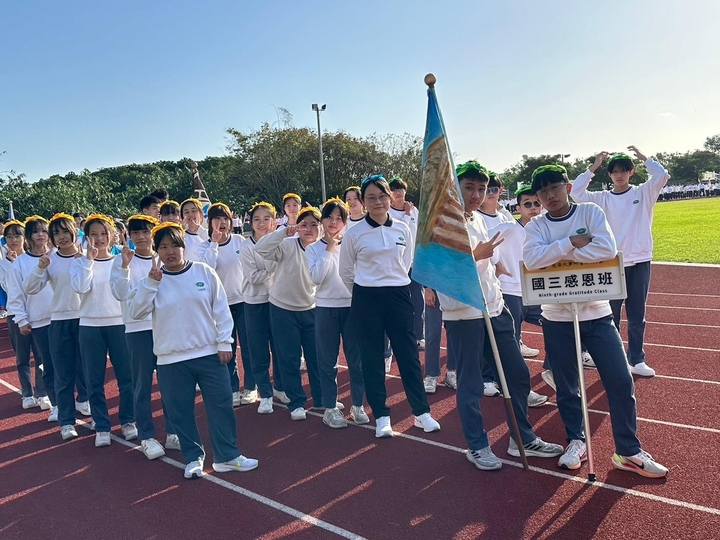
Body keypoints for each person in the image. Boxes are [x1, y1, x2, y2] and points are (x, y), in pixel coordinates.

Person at [523, 164, 668, 478]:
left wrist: (555, 255)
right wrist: (572, 243)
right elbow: (532, 260)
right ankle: (576, 441)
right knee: (567, 386)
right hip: (557, 318)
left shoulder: (590, 212)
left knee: (620, 380)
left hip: (598, 314)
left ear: (567, 187)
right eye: (543, 191)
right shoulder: (536, 226)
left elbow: (606, 249)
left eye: (555, 187)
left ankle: (628, 451)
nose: (550, 195)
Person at [439, 162, 563, 470]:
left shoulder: (480, 220)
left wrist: (494, 265)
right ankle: (477, 445)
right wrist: (475, 256)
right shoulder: (442, 224)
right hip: (464, 313)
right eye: (469, 188)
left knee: (517, 374)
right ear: (455, 188)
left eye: (481, 189)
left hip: (495, 307)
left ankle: (522, 438)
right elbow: (439, 272)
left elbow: (488, 258)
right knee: (471, 383)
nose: (476, 195)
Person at [129, 222, 258, 479]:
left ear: (183, 246)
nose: (170, 252)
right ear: (157, 251)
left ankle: (227, 456)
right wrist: (151, 284)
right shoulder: (152, 280)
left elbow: (221, 310)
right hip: (171, 359)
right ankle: (193, 458)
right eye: (163, 247)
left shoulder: (203, 272)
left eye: (175, 245)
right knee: (180, 411)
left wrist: (224, 342)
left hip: (209, 354)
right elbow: (136, 312)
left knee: (221, 404)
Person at [339, 175, 440, 438]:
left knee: (408, 355)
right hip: (366, 298)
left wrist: (392, 282)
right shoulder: (354, 233)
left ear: (389, 197)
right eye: (371, 198)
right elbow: (346, 271)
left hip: (398, 296)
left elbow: (406, 262)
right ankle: (382, 416)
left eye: (382, 196)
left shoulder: (403, 229)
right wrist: (365, 288)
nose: (378, 202)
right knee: (372, 358)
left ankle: (421, 412)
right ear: (363, 202)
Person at [571, 147, 669, 377]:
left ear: (631, 172)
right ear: (609, 175)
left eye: (623, 171)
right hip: (612, 262)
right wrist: (593, 167)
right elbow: (576, 192)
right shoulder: (602, 199)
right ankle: (615, 361)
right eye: (614, 171)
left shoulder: (644, 193)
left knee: (636, 315)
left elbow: (662, 175)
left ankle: (636, 359)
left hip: (640, 259)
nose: (619, 175)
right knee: (610, 315)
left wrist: (644, 157)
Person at [110, 214, 179, 459]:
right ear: (128, 235)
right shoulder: (122, 260)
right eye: (135, 233)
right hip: (138, 330)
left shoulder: (165, 257)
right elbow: (120, 294)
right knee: (142, 385)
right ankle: (147, 436)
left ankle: (173, 431)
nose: (141, 237)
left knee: (169, 383)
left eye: (145, 232)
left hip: (164, 328)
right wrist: (125, 267)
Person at [70, 214, 136, 448]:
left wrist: (125, 265)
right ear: (86, 237)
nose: (99, 238)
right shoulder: (79, 262)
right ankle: (102, 425)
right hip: (90, 326)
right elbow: (80, 288)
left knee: (126, 377)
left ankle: (128, 420)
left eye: (103, 233)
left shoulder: (120, 260)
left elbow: (125, 291)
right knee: (94, 379)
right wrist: (88, 261)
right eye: (94, 234)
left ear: (112, 235)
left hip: (118, 324)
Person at [24, 213, 91, 441]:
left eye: (65, 231)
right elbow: (30, 288)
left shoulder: (86, 257)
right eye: (56, 233)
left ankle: (94, 414)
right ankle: (66, 421)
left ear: (74, 232)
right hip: (60, 322)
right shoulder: (50, 260)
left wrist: (87, 261)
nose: (61, 236)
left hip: (86, 321)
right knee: (63, 374)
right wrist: (40, 267)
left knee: (88, 372)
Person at [255, 206, 325, 420]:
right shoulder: (287, 245)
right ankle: (296, 402)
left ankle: (321, 398)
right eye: (304, 224)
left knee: (316, 357)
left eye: (314, 224)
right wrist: (283, 232)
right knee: (289, 358)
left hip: (312, 308)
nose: (309, 229)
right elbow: (261, 249)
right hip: (283, 309)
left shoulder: (323, 248)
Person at [306, 198, 369, 428]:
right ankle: (330, 408)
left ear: (345, 222)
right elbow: (316, 278)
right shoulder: (313, 249)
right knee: (327, 361)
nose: (334, 222)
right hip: (325, 309)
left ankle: (358, 405)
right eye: (329, 217)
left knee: (357, 361)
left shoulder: (351, 244)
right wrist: (328, 250)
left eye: (339, 219)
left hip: (352, 307)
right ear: (322, 220)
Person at [199, 202, 255, 407]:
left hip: (244, 301)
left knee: (248, 346)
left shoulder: (240, 241)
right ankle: (232, 388)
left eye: (225, 219)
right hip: (220, 306)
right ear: (209, 222)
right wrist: (214, 244)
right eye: (217, 218)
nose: (222, 223)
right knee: (227, 347)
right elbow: (207, 270)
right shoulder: (204, 246)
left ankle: (251, 387)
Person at [239, 202, 288, 414]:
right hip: (255, 303)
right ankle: (265, 393)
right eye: (257, 219)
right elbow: (253, 277)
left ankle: (280, 387)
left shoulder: (282, 242)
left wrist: (271, 270)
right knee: (258, 350)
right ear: (250, 223)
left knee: (280, 347)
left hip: (278, 301)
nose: (262, 223)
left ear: (274, 221)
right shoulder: (246, 247)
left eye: (266, 219)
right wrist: (273, 269)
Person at [2, 218, 50, 411]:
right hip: (17, 315)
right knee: (23, 357)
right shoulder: (11, 263)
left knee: (42, 357)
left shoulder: (51, 257)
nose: (14, 240)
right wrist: (21, 318)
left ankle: (43, 393)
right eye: (9, 236)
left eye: (17, 235)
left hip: (42, 317)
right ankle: (27, 393)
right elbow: (11, 289)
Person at [387, 177, 425, 350]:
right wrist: (407, 215)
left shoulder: (414, 210)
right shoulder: (389, 213)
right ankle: (397, 337)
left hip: (414, 264)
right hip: (396, 265)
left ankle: (419, 336)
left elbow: (418, 233)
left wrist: (410, 213)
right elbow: (402, 234)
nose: (398, 193)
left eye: (400, 189)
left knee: (418, 301)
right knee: (398, 302)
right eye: (394, 190)